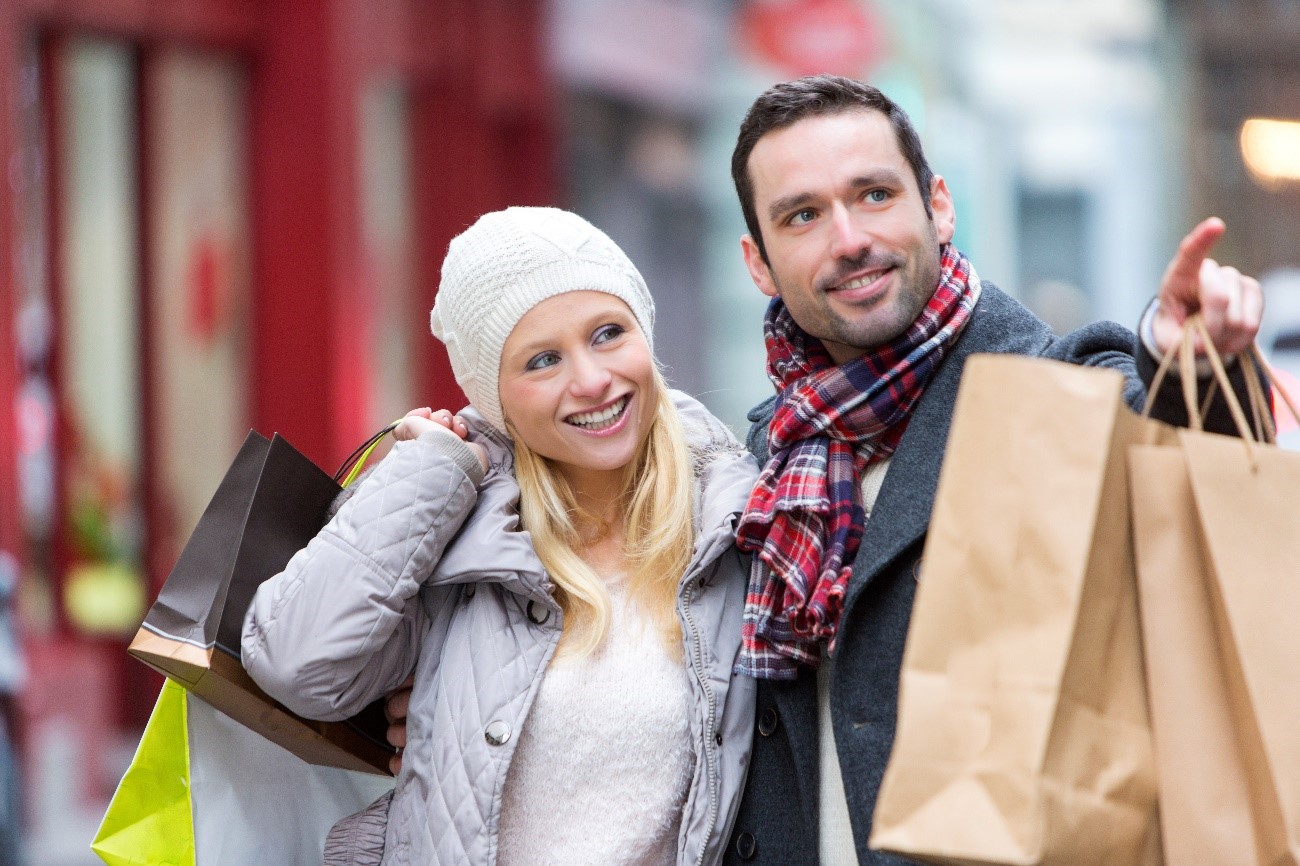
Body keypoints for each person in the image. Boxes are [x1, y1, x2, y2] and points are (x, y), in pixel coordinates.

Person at [719, 75, 1263, 865]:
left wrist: (1192, 367)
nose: (848, 239)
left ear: (937, 205)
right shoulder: (767, 464)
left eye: (873, 194)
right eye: (802, 215)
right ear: (759, 263)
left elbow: (1180, 462)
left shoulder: (1058, 390)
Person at [241, 207, 759, 866]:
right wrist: (432, 472)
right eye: (542, 360)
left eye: (608, 333)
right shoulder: (462, 535)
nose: (592, 379)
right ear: (494, 397)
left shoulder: (733, 515)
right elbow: (296, 665)